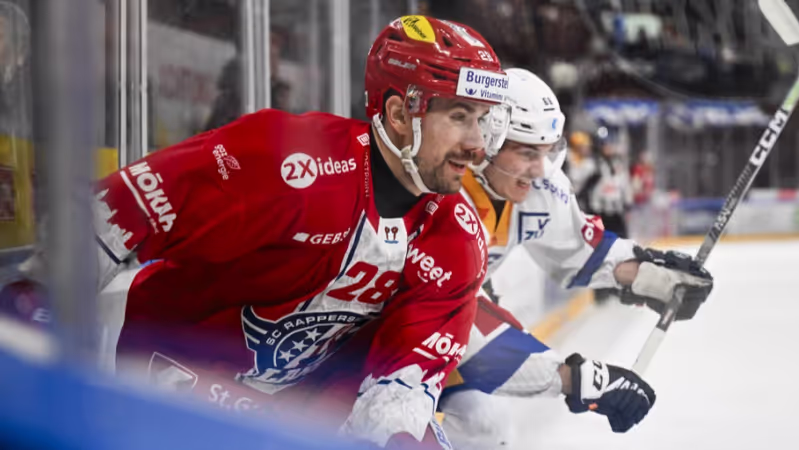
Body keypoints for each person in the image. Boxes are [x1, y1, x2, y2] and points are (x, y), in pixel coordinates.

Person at [88, 15, 510, 448]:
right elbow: (119, 209)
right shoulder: (294, 163)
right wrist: (48, 318)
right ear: (400, 114)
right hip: (162, 369)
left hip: (282, 407)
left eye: (481, 119)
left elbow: (403, 382)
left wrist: (395, 436)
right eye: (459, 116)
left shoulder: (456, 237)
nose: (477, 144)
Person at [436, 68, 714, 449]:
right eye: (527, 152)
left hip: (446, 318)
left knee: (485, 425)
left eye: (547, 151)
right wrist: (580, 379)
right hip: (384, 341)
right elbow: (459, 328)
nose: (540, 169)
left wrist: (648, 274)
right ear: (486, 140)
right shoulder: (440, 195)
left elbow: (580, 249)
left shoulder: (535, 185)